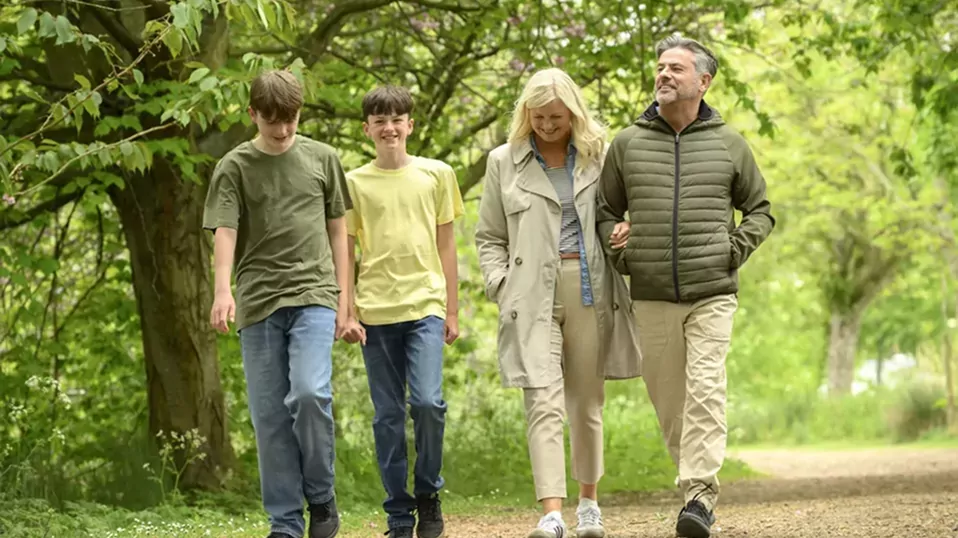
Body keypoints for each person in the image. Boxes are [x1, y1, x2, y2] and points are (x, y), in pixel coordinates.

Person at [597, 35, 775, 538]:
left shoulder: (729, 144)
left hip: (712, 291)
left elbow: (761, 210)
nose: (664, 75)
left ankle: (698, 496)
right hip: (650, 293)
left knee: (706, 389)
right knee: (669, 400)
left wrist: (731, 249)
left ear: (704, 80)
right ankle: (693, 488)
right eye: (660, 67)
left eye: (676, 68)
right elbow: (605, 211)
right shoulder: (628, 143)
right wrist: (620, 250)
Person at [475, 68, 643, 538]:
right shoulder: (503, 162)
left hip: (590, 289)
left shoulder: (600, 156)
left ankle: (589, 505)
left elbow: (619, 215)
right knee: (541, 401)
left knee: (586, 403)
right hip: (530, 294)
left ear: (573, 114)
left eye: (557, 116)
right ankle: (551, 513)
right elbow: (489, 236)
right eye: (539, 116)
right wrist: (501, 284)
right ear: (525, 114)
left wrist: (624, 234)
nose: (547, 125)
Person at [202, 69, 349, 538]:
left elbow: (339, 232)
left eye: (291, 120)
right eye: (272, 122)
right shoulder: (234, 166)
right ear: (252, 115)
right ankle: (284, 522)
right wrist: (223, 290)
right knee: (269, 416)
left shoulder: (323, 158)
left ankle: (321, 497)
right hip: (258, 299)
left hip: (314, 294)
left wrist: (346, 299)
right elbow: (224, 231)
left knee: (309, 394)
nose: (283, 131)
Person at [340, 85, 463, 538]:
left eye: (397, 119)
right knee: (387, 415)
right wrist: (347, 311)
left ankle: (428, 495)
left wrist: (452, 310)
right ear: (367, 128)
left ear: (410, 124)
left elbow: (447, 244)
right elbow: (346, 252)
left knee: (428, 403)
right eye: (380, 120)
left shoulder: (437, 174)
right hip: (374, 314)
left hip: (425, 305)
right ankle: (398, 512)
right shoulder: (353, 183)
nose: (389, 128)